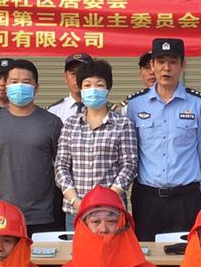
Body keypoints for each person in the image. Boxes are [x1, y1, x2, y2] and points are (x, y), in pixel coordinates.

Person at [124, 37, 201, 240]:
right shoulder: (135, 105)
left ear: (183, 65)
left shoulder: (199, 104)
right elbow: (132, 150)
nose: (166, 68)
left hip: (185, 198)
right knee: (146, 252)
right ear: (152, 65)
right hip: (147, 198)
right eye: (161, 62)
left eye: (173, 62)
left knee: (185, 253)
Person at [0, 59, 64, 235]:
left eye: (26, 82)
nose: (19, 87)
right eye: (14, 81)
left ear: (36, 87)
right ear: (6, 86)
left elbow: (62, 167)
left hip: (42, 215)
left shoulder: (52, 123)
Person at [54, 58, 138, 230]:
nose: (93, 90)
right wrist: (75, 200)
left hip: (112, 212)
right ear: (80, 88)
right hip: (76, 210)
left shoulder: (123, 124)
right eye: (87, 85)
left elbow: (129, 165)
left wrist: (108, 199)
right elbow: (61, 165)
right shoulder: (70, 124)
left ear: (108, 88)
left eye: (99, 85)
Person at [48, 52, 93, 123]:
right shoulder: (54, 111)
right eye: (73, 74)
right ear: (66, 78)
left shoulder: (104, 110)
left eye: (82, 73)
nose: (78, 78)